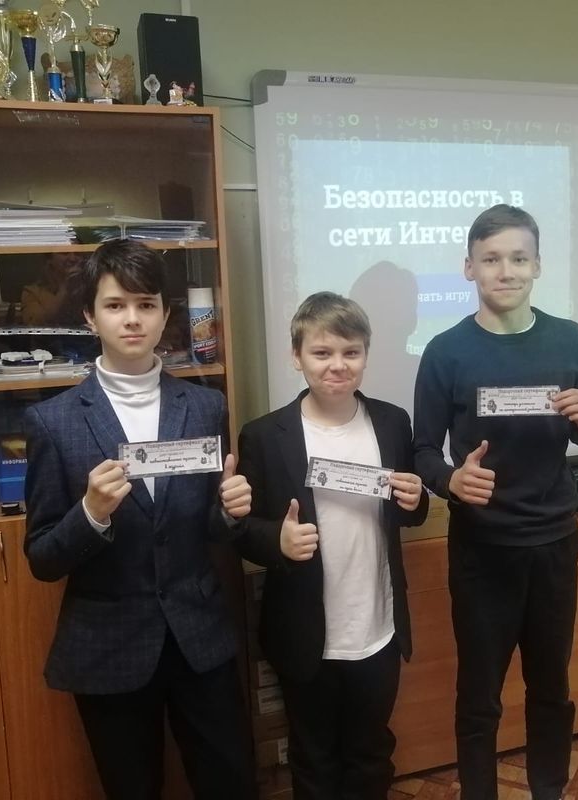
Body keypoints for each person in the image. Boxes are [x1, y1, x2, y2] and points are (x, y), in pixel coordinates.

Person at [22, 239, 256, 799]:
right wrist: (90, 513)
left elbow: (208, 529)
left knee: (230, 783)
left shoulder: (204, 407)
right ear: (89, 316)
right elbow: (42, 558)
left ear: (165, 314)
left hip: (199, 636)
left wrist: (229, 512)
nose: (132, 319)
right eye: (115, 305)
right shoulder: (53, 422)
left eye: (146, 304)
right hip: (110, 645)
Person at [412, 204, 578, 800]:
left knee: (551, 688)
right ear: (469, 268)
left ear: (538, 265)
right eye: (492, 259)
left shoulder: (571, 339)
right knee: (479, 698)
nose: (506, 271)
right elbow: (423, 451)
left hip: (554, 543)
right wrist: (451, 481)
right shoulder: (445, 352)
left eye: (519, 258)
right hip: (482, 550)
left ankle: (549, 789)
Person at [232, 292, 429, 800]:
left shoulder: (392, 422)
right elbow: (243, 530)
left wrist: (415, 499)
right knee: (313, 758)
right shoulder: (264, 436)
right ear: (295, 356)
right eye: (321, 353)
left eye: (350, 352)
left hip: (377, 628)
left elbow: (409, 510)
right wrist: (277, 541)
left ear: (365, 355)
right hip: (305, 633)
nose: (337, 365)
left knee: (371, 755)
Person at [21, 251, 85, 326]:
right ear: (49, 259)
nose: (72, 259)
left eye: (77, 253)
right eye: (64, 253)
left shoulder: (90, 287)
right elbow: (35, 324)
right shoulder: (32, 292)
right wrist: (64, 287)